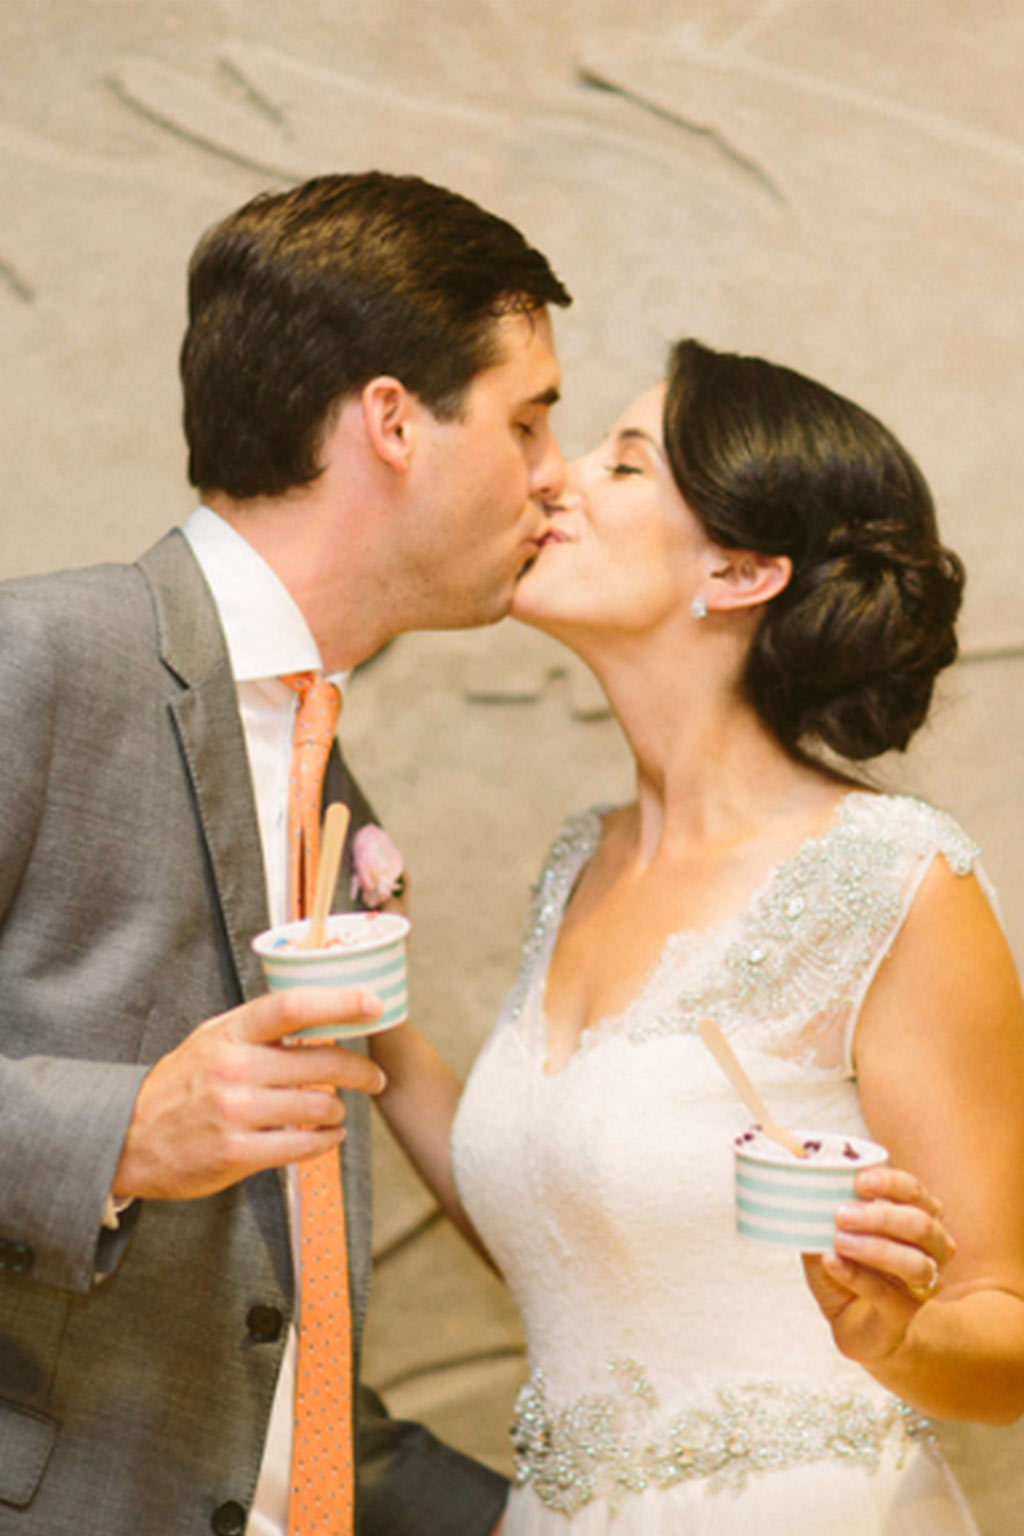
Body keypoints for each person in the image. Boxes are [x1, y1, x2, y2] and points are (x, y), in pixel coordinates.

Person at [368, 339, 1024, 1534]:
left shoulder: (892, 877)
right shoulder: (582, 859)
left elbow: (1006, 1330)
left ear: (736, 572)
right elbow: (563, 1237)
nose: (554, 479)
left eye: (622, 464)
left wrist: (902, 1335)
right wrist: (370, 1027)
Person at [0, 170, 570, 1536]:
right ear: (391, 423)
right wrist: (121, 1134)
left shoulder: (326, 766)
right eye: (529, 420)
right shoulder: (42, 656)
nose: (554, 477)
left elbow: (273, 1322)